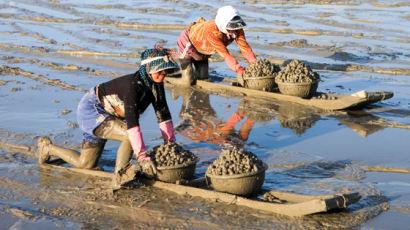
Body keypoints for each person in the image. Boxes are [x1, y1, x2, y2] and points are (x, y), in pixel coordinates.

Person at [37, 46, 179, 189]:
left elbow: (163, 114)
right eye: (160, 71)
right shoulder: (133, 87)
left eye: (165, 71)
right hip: (92, 110)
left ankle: (47, 148)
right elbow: (132, 125)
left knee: (85, 164)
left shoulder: (156, 85)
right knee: (128, 137)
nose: (163, 75)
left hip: (108, 116)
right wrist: (142, 157)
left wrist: (170, 143)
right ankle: (119, 178)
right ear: (149, 68)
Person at [175, 5, 257, 86]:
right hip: (188, 43)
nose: (233, 31)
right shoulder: (213, 32)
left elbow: (245, 48)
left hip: (205, 50)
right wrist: (239, 70)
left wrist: (255, 65)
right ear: (223, 24)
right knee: (188, 81)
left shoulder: (237, 29)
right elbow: (225, 54)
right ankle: (174, 86)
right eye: (231, 27)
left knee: (204, 79)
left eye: (235, 26)